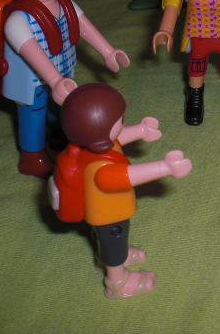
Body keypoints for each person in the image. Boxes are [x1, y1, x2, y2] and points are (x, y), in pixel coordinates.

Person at [1, 0, 130, 178]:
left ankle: (60, 135)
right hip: (32, 81)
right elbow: (31, 50)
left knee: (60, 108)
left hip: (62, 71)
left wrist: (108, 51)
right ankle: (32, 157)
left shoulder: (63, 3)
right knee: (33, 114)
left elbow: (82, 24)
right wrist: (55, 80)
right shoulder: (17, 19)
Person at [52, 83, 192, 299]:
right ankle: (117, 282)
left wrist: (141, 130)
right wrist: (165, 167)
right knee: (114, 246)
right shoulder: (102, 170)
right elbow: (129, 175)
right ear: (100, 131)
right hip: (109, 216)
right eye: (119, 120)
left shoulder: (85, 146)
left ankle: (109, 256)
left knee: (109, 242)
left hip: (102, 214)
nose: (122, 121)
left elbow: (116, 139)